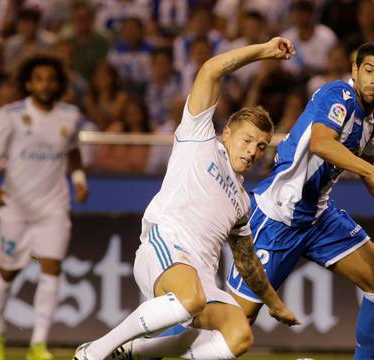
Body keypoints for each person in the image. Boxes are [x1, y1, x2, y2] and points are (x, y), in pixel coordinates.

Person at [74, 37, 300, 360]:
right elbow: (210, 70)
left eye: (261, 147)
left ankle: (132, 353)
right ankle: (94, 353)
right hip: (165, 245)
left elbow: (247, 262)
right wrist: (263, 51)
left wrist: (276, 305)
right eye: (248, 139)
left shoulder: (242, 202)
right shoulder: (199, 137)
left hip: (200, 278)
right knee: (190, 301)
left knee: (238, 335)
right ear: (227, 133)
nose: (253, 151)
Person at [226, 41, 374, 360]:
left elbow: (367, 161)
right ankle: (151, 346)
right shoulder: (337, 96)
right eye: (369, 70)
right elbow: (322, 143)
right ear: (354, 71)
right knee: (234, 326)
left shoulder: (371, 117)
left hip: (318, 217)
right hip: (278, 217)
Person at [0, 54, 89, 360]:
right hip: (15, 207)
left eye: (51, 79)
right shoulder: (9, 114)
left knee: (51, 268)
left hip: (53, 207)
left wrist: (78, 179)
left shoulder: (70, 116)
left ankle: (38, 344)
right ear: (28, 82)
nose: (46, 84)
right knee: (7, 271)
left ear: (59, 83)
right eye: (39, 78)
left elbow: (73, 150)